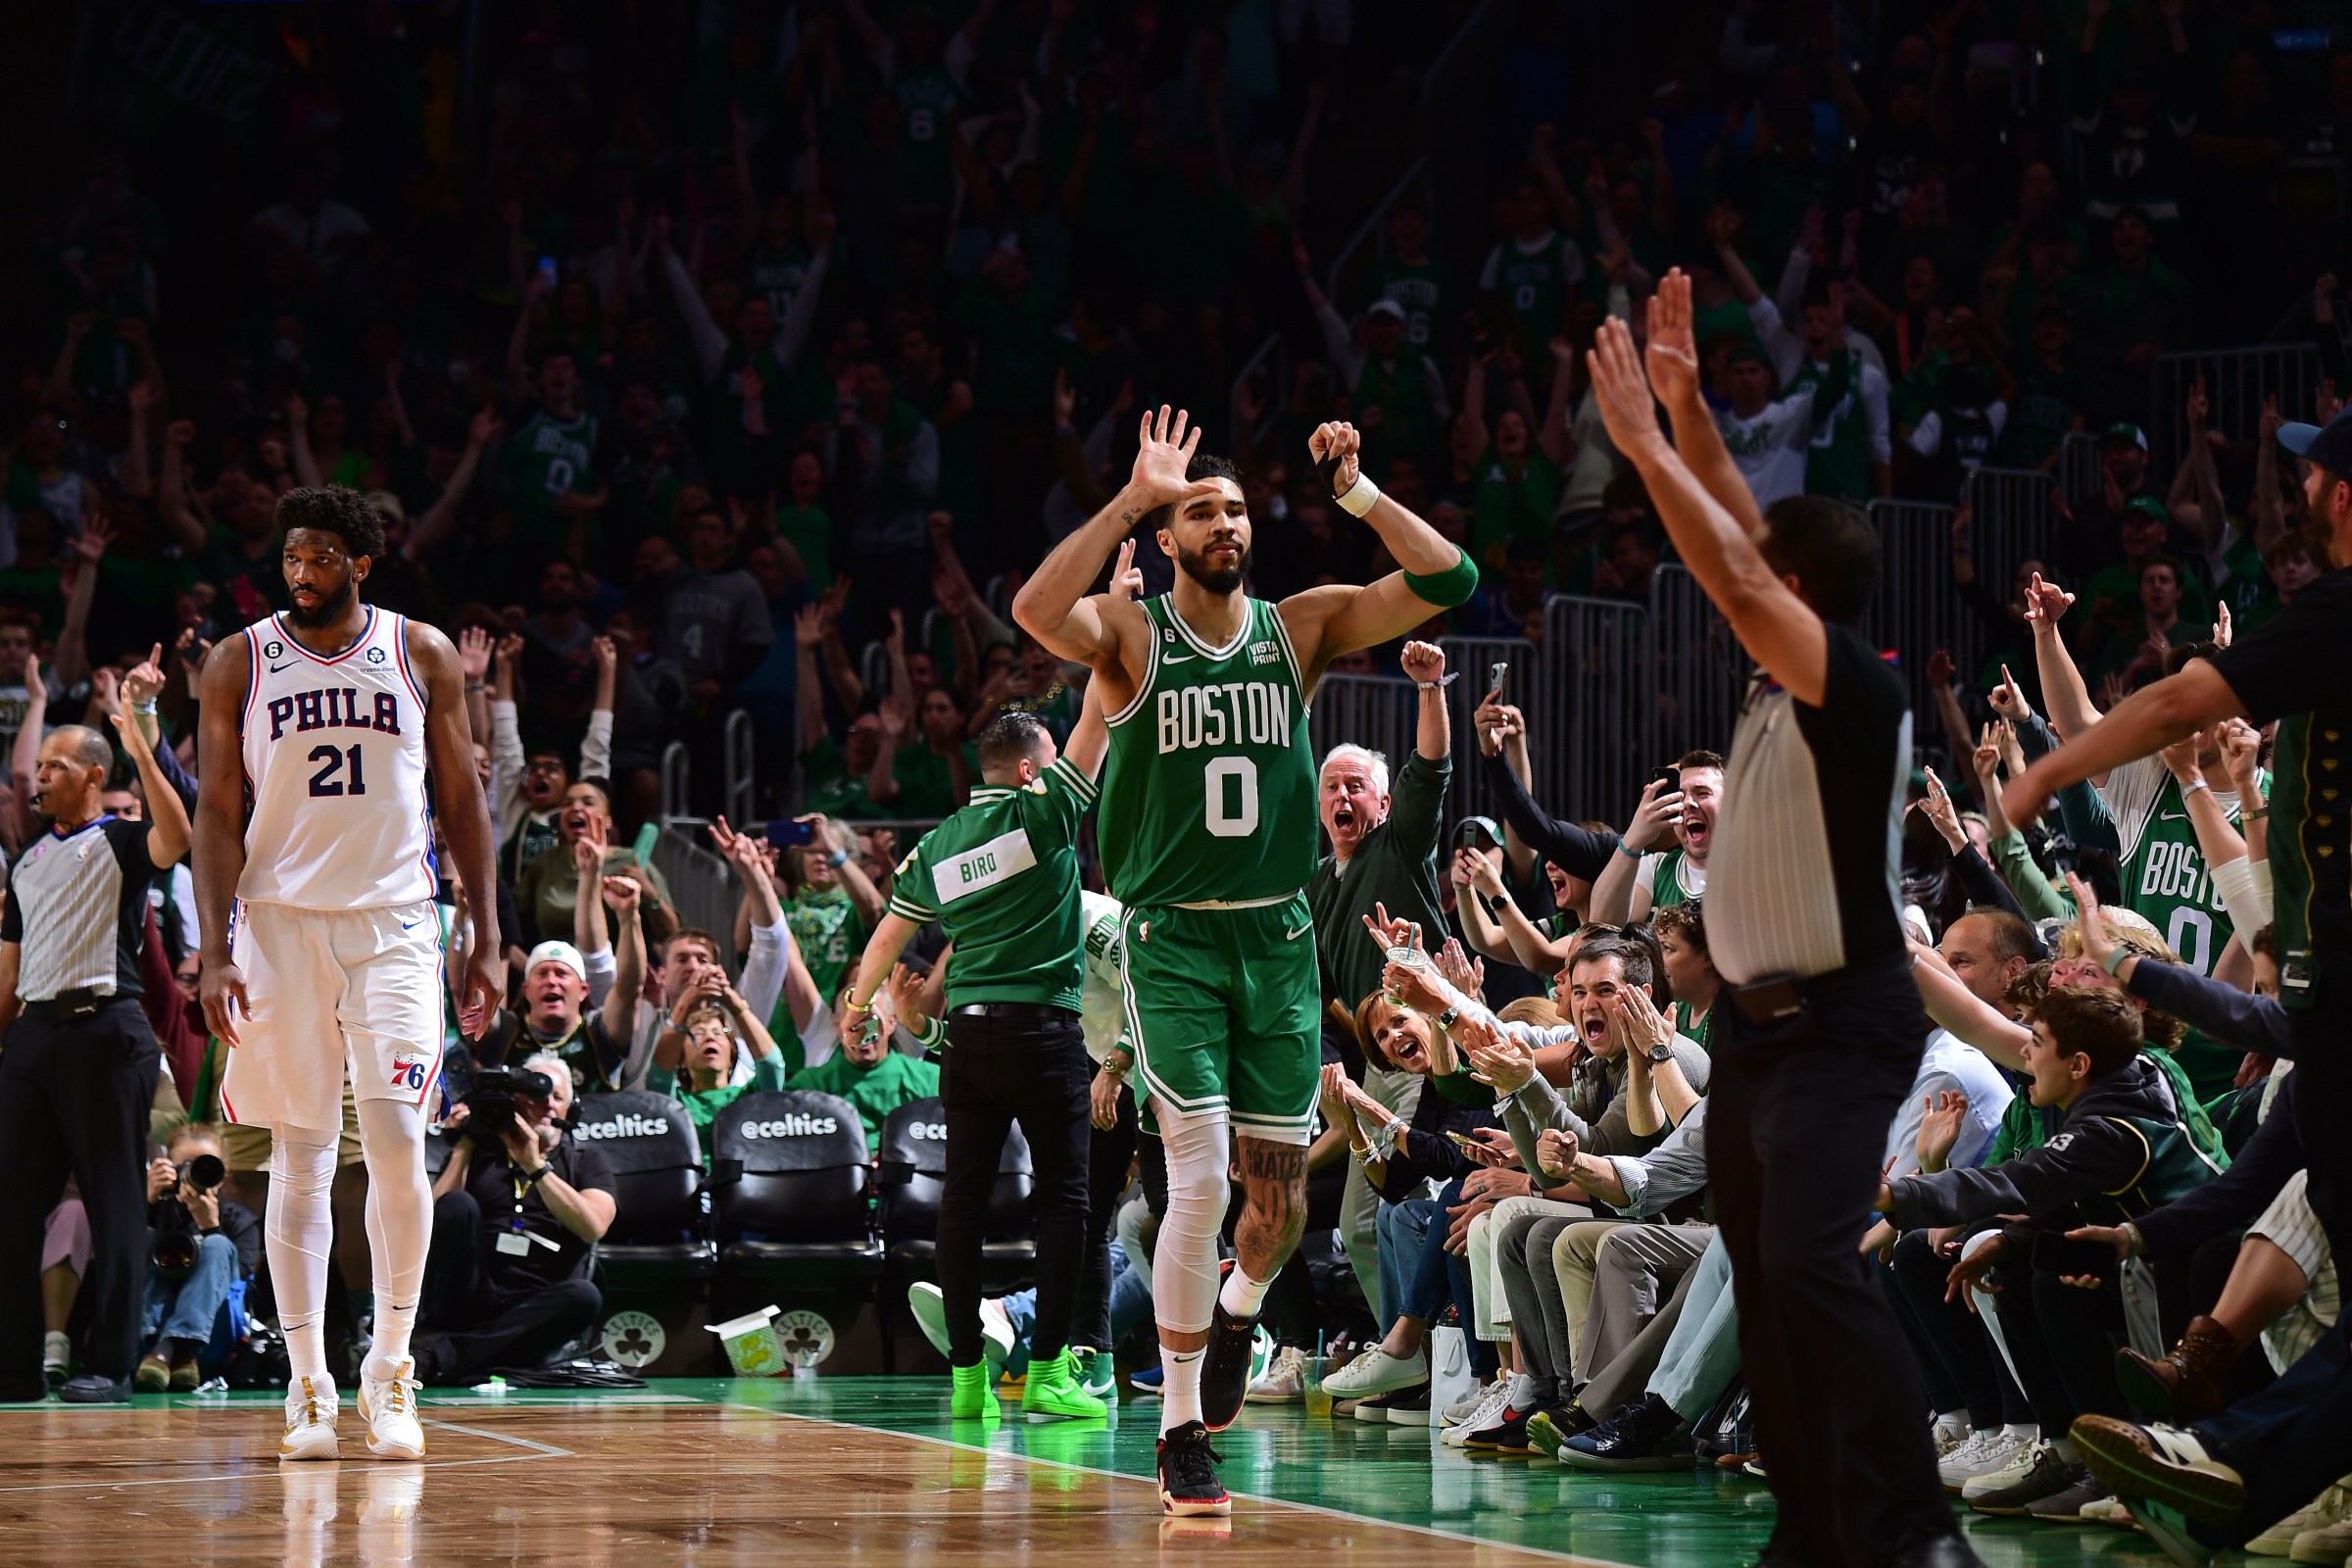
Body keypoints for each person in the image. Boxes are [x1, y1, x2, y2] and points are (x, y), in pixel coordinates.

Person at [1012, 406, 1478, 1514]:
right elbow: (1034, 610)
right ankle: (1179, 1425)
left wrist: (1360, 493)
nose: (1225, 522)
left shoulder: (1299, 626)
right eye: (1200, 511)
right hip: (1173, 939)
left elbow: (1451, 580)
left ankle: (1236, 1313)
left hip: (1276, 941)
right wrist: (1131, 495)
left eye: (1234, 508)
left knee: (1274, 1214)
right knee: (1203, 1176)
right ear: (1168, 540)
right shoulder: (1131, 640)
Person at [1584, 275, 1976, 1567]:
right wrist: (1690, 405)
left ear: (1801, 586)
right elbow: (1750, 541)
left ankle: (1915, 1530)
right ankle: (1810, 1528)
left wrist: (1646, 446)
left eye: (1767, 567)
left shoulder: (1848, 687)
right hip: (1755, 1039)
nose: (1736, 570)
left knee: (1813, 1267)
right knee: (1766, 1283)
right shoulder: (1778, 677)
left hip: (1837, 1024)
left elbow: (1746, 568)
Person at [2000, 408, 2352, 1559]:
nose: (2299, 486)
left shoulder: (2336, 622)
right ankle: (2233, 1470)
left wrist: (2038, 778)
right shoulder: (2207, 785)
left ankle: (2237, 1461)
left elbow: (2163, 712)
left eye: (2310, 470)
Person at [192, 485, 503, 1460]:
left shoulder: (423, 653)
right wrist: (210, 947)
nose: (301, 574)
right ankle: (307, 1382)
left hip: (397, 924)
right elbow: (213, 811)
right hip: (277, 924)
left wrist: (487, 934)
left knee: (401, 1142)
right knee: (303, 1154)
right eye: (291, 558)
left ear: (362, 563)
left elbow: (461, 798)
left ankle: (391, 1369)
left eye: (321, 557)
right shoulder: (237, 659)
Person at [843, 689, 1109, 1425]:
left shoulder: (938, 844)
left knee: (960, 1204)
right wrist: (1116, 627)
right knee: (1067, 1204)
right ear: (1028, 770)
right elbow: (1100, 719)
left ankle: (966, 1381)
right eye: (1050, 766)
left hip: (969, 1037)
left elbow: (890, 938)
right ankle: (1051, 1372)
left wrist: (860, 1006)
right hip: (1045, 1035)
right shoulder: (1043, 810)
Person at [0, 710, 190, 1402]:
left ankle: (107, 1366)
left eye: (54, 766)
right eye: (39, 766)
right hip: (32, 1036)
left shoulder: (118, 840)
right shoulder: (26, 860)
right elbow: (7, 968)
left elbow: (179, 837)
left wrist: (140, 738)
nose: (38, 777)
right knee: (12, 1208)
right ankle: (14, 1368)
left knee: (115, 1206)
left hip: (105, 1030)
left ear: (93, 775)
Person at [1304, 638, 1452, 1316]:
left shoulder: (1400, 842)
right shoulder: (1313, 884)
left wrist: (1429, 688)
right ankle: (1408, 1351)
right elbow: (1318, 992)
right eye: (1331, 786)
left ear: (1385, 804)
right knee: (1365, 1225)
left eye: (1355, 785)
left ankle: (1419, 1353)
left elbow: (1431, 767)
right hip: (1374, 1065)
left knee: (1385, 1219)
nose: (1341, 795)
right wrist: (1334, 1061)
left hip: (1430, 1054)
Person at [421, 1054, 614, 1385]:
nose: (549, 1106)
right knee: (457, 1204)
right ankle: (476, 1355)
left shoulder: (586, 1160)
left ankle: (444, 1356)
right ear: (515, 1103)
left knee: (584, 1295)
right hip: (471, 1294)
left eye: (558, 1098)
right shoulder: (479, 1152)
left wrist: (534, 1165)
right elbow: (433, 1222)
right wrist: (464, 1144)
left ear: (573, 1110)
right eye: (538, 1096)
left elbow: (593, 1226)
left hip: (536, 1303)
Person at [138, 1121, 260, 1392]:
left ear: (223, 1172)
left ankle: (170, 1348)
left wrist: (211, 1227)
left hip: (209, 1340)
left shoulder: (240, 1219)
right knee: (145, 1238)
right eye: (186, 1165)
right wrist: (146, 1205)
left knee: (217, 1245)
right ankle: (176, 1355)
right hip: (145, 1332)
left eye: (206, 1165)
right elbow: (119, 1262)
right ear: (168, 1166)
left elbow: (239, 1285)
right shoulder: (154, 1209)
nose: (194, 1174)